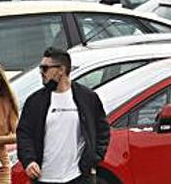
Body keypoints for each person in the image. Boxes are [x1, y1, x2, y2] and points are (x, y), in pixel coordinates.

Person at [16, 47, 109, 184]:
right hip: (44, 178)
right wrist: (29, 161)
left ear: (61, 70)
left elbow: (103, 131)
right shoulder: (35, 101)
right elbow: (24, 135)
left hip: (78, 177)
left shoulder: (87, 98)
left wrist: (93, 159)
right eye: (41, 68)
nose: (41, 72)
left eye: (45, 68)